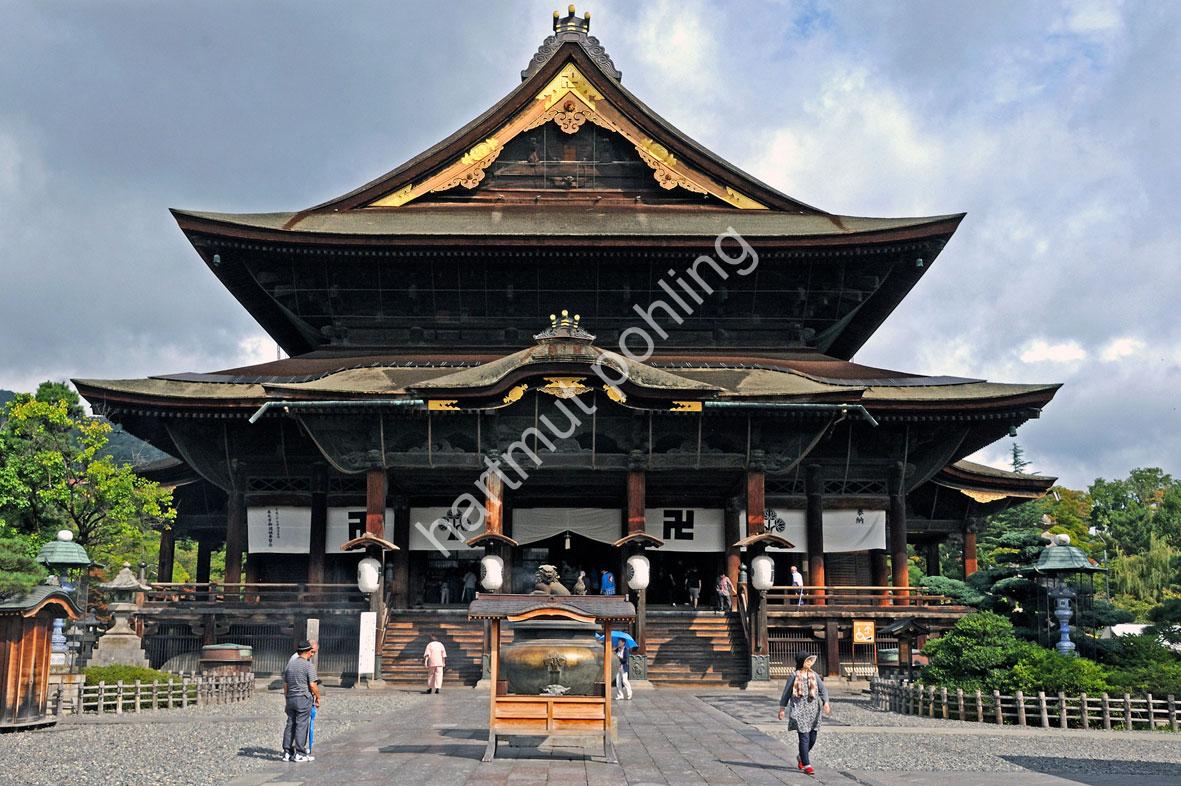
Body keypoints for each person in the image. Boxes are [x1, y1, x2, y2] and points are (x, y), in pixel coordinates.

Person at [776, 652, 831, 777]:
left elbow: (823, 690)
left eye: (811, 661)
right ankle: (807, 765)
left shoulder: (814, 675)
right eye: (807, 661)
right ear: (802, 662)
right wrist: (782, 708)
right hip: (799, 710)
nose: (810, 663)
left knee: (813, 738)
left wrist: (826, 702)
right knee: (804, 737)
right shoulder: (793, 676)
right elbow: (786, 693)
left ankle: (801, 756)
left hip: (813, 710)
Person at [281, 640, 321, 763]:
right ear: (308, 652)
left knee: (290, 724)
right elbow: (312, 685)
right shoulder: (308, 666)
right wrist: (318, 697)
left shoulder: (290, 665)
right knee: (302, 724)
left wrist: (287, 699)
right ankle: (300, 753)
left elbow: (286, 685)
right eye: (311, 652)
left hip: (291, 698)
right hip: (302, 698)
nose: (312, 654)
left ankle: (287, 752)